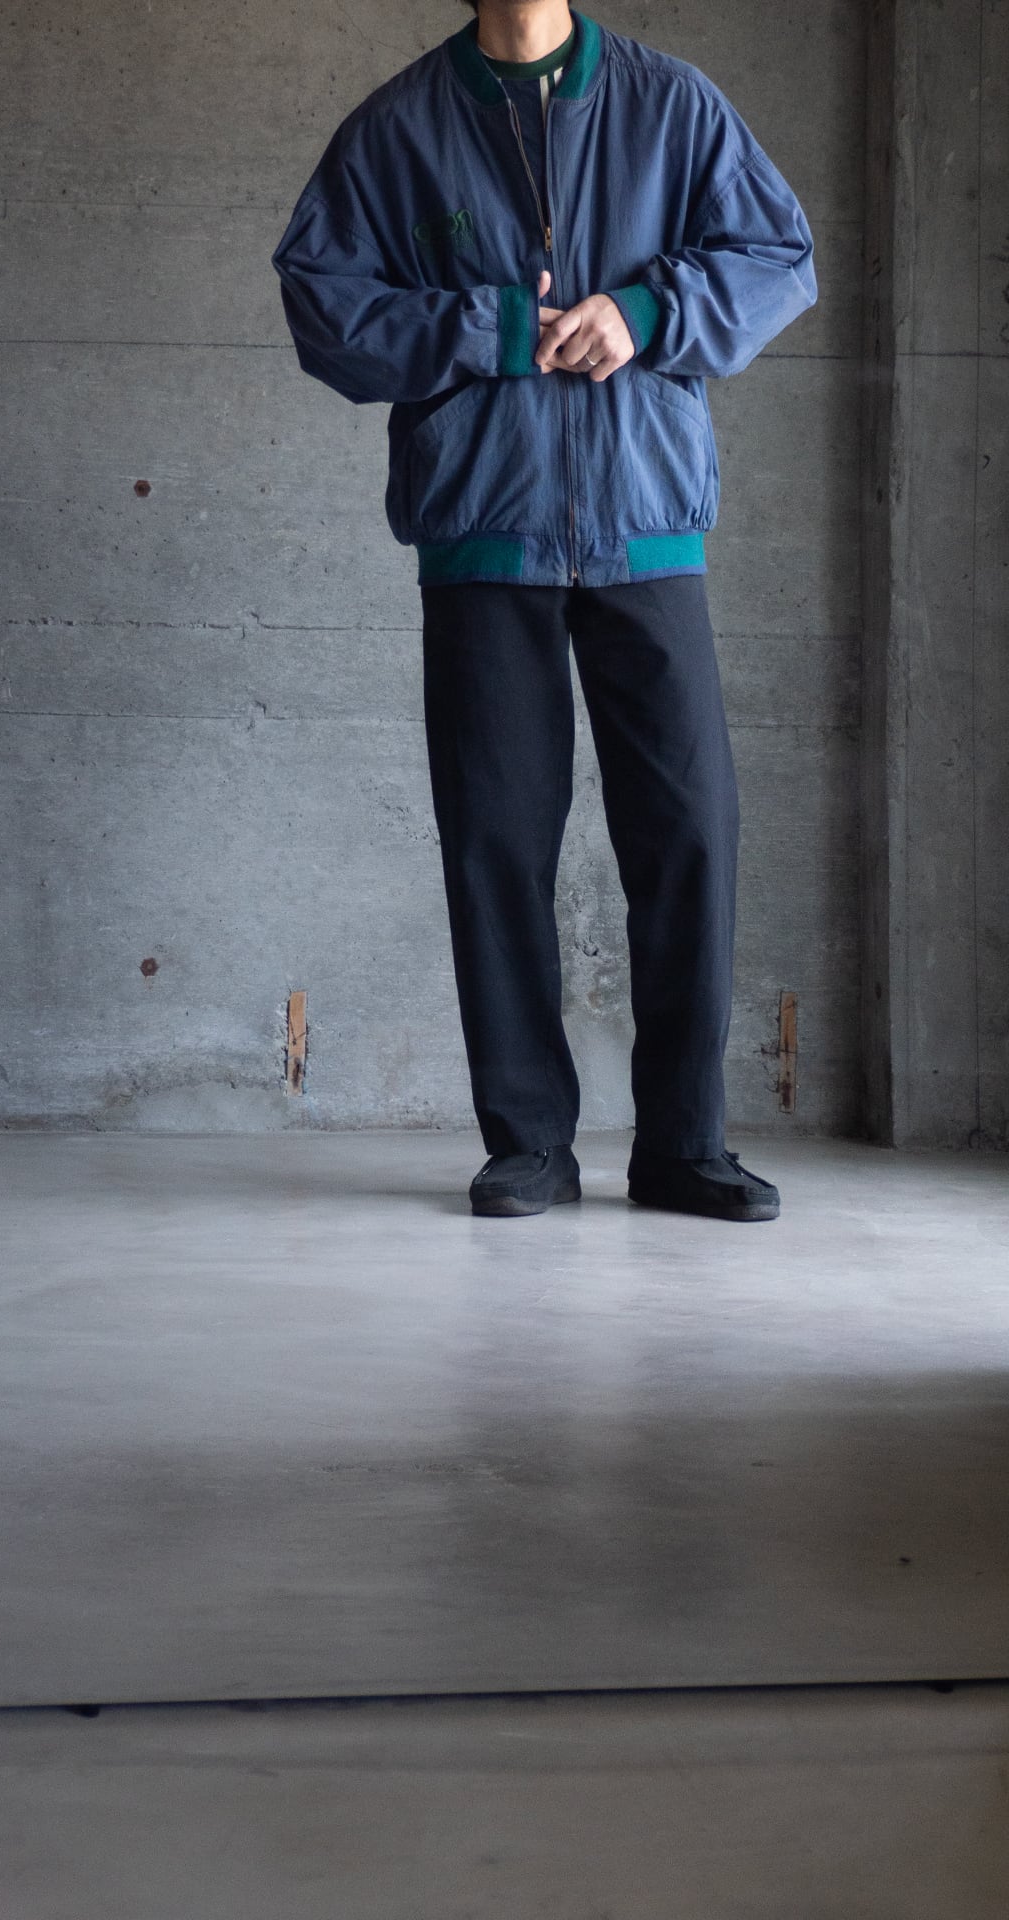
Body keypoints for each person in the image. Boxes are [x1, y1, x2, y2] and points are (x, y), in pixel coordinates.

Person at [270, 0, 816, 1221]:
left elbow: (782, 257)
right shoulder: (399, 128)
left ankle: (684, 1146)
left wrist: (648, 312)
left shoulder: (672, 106)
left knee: (690, 833)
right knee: (498, 844)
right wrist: (496, 326)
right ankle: (528, 1144)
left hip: (645, 524)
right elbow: (322, 304)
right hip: (485, 528)